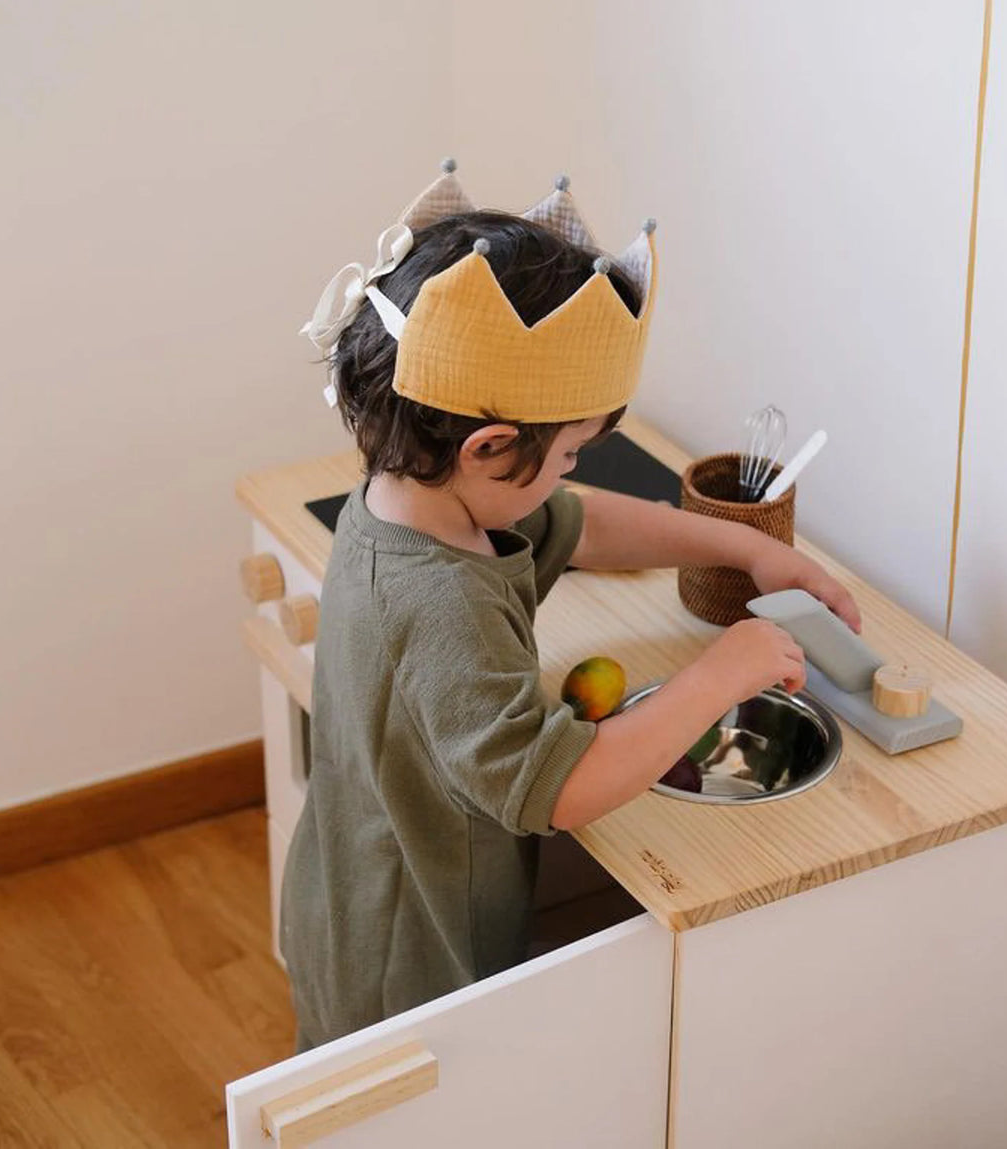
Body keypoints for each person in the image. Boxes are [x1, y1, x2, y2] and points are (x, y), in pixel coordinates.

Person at [280, 162, 861, 1052]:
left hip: (353, 896)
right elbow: (561, 792)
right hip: (411, 971)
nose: (571, 476)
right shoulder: (442, 604)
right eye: (569, 454)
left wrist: (744, 545)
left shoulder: (415, 501)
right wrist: (720, 672)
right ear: (489, 445)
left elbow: (584, 528)